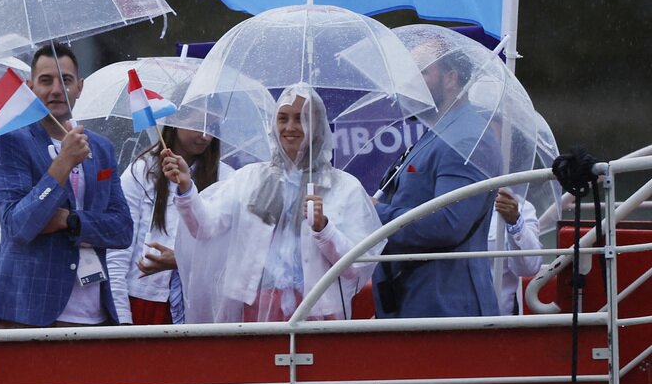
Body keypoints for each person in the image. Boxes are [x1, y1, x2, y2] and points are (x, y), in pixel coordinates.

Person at [162, 84, 380, 322]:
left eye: (301, 119)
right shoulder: (249, 178)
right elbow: (206, 228)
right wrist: (186, 188)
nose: (290, 127)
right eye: (283, 118)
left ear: (318, 125)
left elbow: (356, 267)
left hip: (318, 311)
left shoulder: (344, 187)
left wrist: (324, 229)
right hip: (252, 309)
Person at [0, 43, 133, 327]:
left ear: (79, 87)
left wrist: (72, 221)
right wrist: (63, 162)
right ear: (30, 88)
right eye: (46, 80)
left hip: (95, 315)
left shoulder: (100, 148)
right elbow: (18, 226)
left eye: (65, 80)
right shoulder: (10, 142)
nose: (56, 90)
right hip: (31, 312)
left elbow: (122, 229)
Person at [372, 49, 501, 318]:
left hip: (444, 305)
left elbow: (448, 224)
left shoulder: (466, 137)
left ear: (450, 78)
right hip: (416, 299)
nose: (411, 83)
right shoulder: (439, 132)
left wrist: (374, 214)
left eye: (422, 72)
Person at [109, 127, 234, 325]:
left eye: (211, 126)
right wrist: (121, 315)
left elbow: (230, 254)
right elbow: (118, 248)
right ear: (175, 122)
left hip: (202, 306)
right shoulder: (141, 170)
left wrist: (182, 260)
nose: (205, 136)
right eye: (196, 125)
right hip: (144, 300)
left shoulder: (227, 178)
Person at [491, 187, 542, 315]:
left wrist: (514, 221)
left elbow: (530, 267)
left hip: (499, 315)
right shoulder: (450, 201)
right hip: (448, 310)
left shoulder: (519, 205)